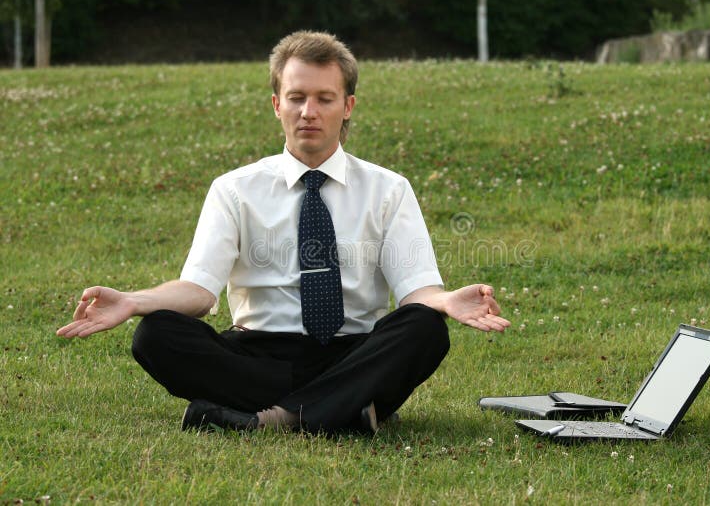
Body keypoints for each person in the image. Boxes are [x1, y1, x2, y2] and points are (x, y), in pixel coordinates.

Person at [56, 31, 509, 434]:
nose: (308, 112)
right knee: (155, 335)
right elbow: (198, 291)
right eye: (295, 97)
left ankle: (275, 419)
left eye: (324, 98)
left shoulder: (389, 190)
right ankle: (344, 407)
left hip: (352, 353)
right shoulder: (234, 189)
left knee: (426, 328)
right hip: (258, 358)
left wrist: (446, 302)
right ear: (277, 105)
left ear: (347, 106)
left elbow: (415, 290)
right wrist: (136, 302)